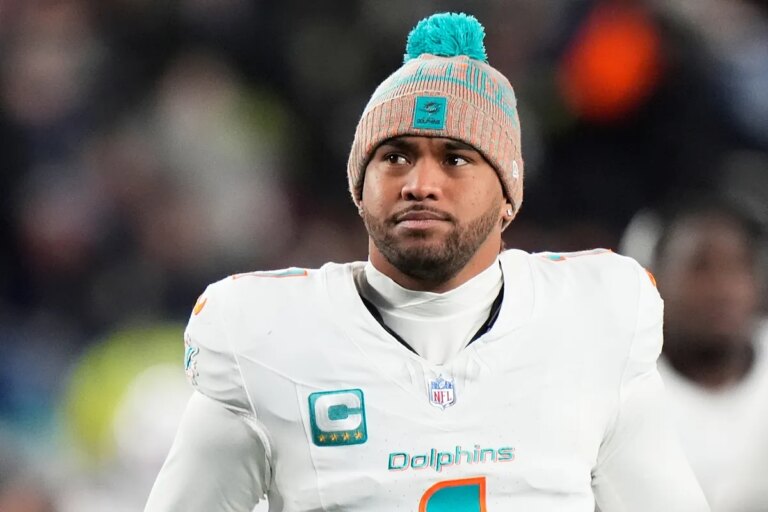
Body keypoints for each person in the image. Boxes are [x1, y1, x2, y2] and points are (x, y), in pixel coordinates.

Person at [145, 12, 709, 511]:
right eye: (396, 156)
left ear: (508, 195)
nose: (420, 184)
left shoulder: (592, 323)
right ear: (359, 188)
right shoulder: (266, 339)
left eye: (456, 158)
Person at [651, 199, 768, 512]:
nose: (723, 288)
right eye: (699, 267)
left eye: (738, 265)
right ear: (656, 276)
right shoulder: (623, 387)